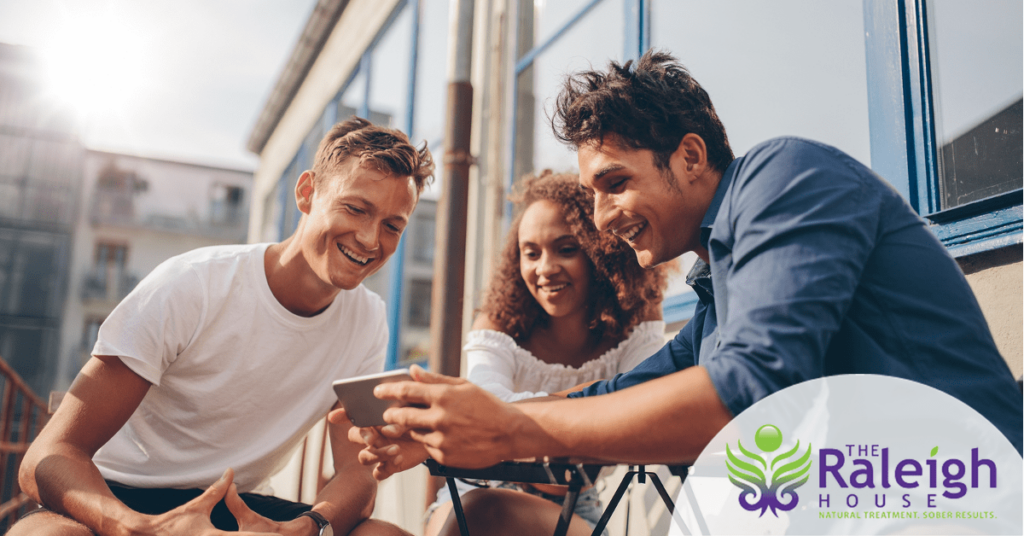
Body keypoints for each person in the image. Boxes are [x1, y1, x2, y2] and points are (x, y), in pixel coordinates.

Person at [343, 50, 1024, 475]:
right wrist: (447, 436)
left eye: (616, 183)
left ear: (691, 157)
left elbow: (745, 393)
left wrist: (509, 430)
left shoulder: (787, 175)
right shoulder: (718, 287)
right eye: (591, 195)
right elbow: (612, 401)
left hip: (966, 488)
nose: (604, 217)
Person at [12, 117, 434, 536]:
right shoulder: (192, 284)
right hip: (120, 495)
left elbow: (357, 474)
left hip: (237, 506)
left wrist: (311, 526)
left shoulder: (367, 319)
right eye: (355, 208)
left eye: (392, 225)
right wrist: (138, 527)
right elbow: (47, 456)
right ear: (307, 192)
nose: (369, 238)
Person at [413, 172, 670, 536]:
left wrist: (515, 425)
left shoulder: (638, 318)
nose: (545, 269)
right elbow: (486, 403)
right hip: (477, 489)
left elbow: (645, 405)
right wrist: (595, 408)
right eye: (530, 253)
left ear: (600, 251)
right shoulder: (498, 323)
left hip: (577, 503)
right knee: (479, 512)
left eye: (566, 249)